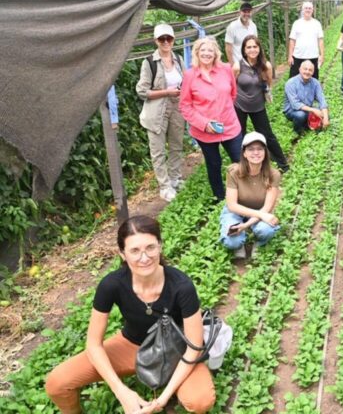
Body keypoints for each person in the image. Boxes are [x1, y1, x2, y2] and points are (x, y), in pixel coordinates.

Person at [45, 215, 215, 414]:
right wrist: (121, 391)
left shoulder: (181, 286)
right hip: (130, 346)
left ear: (160, 246)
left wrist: (162, 399)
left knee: (200, 401)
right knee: (57, 383)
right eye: (135, 250)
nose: (144, 257)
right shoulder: (111, 284)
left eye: (150, 247)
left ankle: (171, 382)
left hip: (176, 350)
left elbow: (194, 347)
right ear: (123, 254)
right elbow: (93, 344)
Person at [180, 37, 242, 201]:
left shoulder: (226, 69)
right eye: (203, 50)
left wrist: (224, 111)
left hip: (229, 126)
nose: (207, 53)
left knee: (240, 159)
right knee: (214, 163)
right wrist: (205, 123)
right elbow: (185, 106)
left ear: (216, 53)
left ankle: (247, 192)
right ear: (197, 53)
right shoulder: (190, 75)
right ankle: (220, 197)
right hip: (204, 131)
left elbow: (233, 94)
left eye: (210, 50)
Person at [136, 23, 186, 203]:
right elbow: (142, 91)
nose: (166, 42)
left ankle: (175, 178)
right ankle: (164, 186)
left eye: (169, 38)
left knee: (176, 145)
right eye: (162, 39)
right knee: (158, 150)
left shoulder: (178, 59)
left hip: (177, 108)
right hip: (156, 111)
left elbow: (186, 81)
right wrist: (167, 92)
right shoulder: (149, 62)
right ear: (156, 41)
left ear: (173, 40)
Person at [220, 132, 281, 259]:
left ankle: (259, 242)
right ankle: (239, 243)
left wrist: (245, 226)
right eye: (251, 149)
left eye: (260, 149)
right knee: (232, 241)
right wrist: (261, 216)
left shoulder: (273, 174)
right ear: (244, 153)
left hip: (260, 210)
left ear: (265, 152)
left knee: (266, 230)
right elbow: (232, 205)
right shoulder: (234, 172)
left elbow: (267, 207)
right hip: (237, 211)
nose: (256, 153)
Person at [232, 35, 289, 172]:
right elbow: (232, 85)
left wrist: (265, 94)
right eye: (249, 47)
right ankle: (244, 166)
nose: (252, 50)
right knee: (240, 136)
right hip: (240, 105)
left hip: (257, 105)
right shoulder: (237, 66)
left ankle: (282, 163)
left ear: (259, 48)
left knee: (267, 135)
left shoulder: (265, 66)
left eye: (255, 46)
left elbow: (268, 83)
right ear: (244, 50)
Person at [283, 60, 330, 134]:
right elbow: (295, 104)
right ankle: (298, 130)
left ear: (313, 72)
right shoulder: (291, 83)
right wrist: (313, 110)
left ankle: (309, 124)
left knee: (325, 114)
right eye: (305, 69)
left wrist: (326, 117)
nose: (307, 72)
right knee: (300, 115)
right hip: (292, 110)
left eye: (310, 70)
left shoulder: (315, 83)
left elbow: (322, 100)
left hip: (307, 109)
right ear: (300, 69)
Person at [288, 1, 324, 79]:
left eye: (310, 8)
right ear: (302, 10)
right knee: (294, 79)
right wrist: (290, 56)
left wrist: (322, 55)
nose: (308, 10)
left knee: (313, 79)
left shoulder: (317, 24)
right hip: (298, 56)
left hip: (313, 56)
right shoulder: (296, 23)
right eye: (306, 8)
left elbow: (320, 41)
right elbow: (292, 41)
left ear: (312, 10)